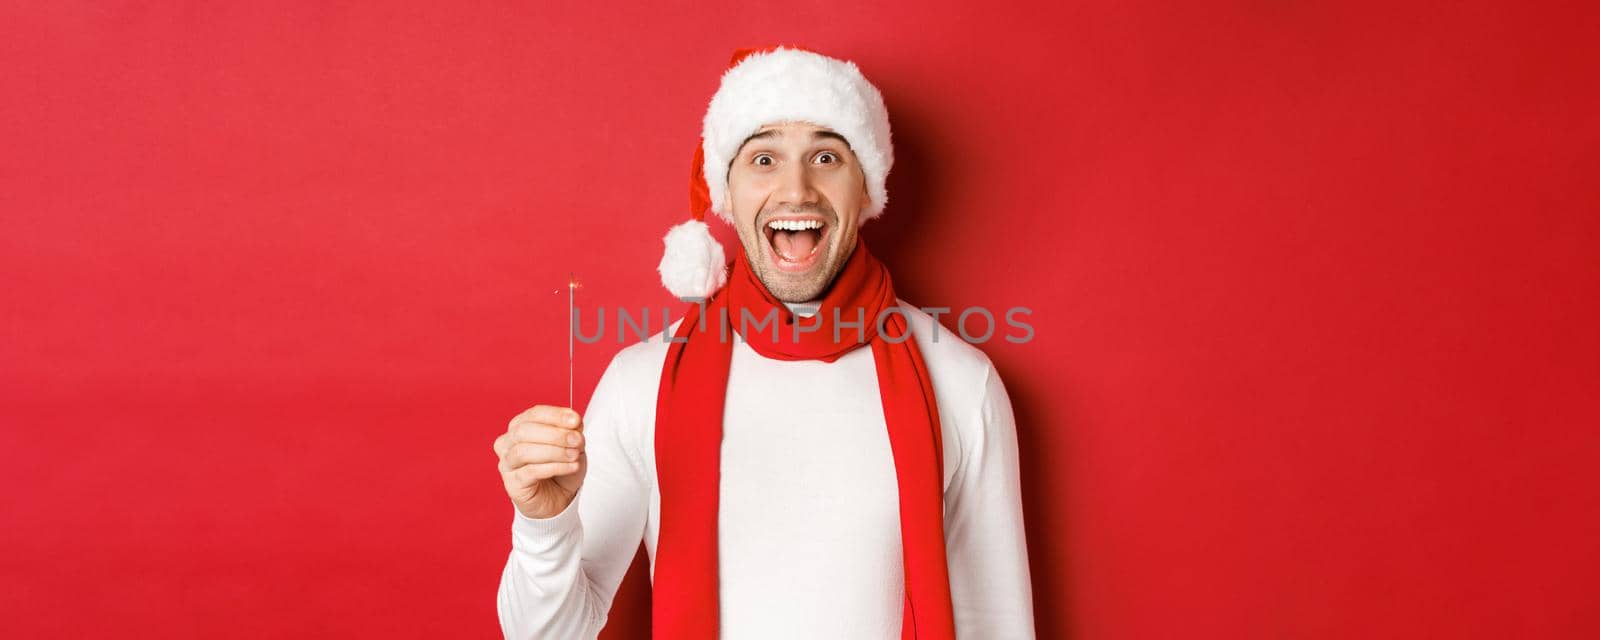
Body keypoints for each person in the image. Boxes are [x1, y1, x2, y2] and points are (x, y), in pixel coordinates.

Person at [493, 45, 1035, 639]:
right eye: (764, 159)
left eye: (826, 156)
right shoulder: (640, 381)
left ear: (866, 188)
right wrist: (545, 525)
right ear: (728, 192)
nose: (796, 190)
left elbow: (998, 624)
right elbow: (543, 634)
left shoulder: (960, 381)